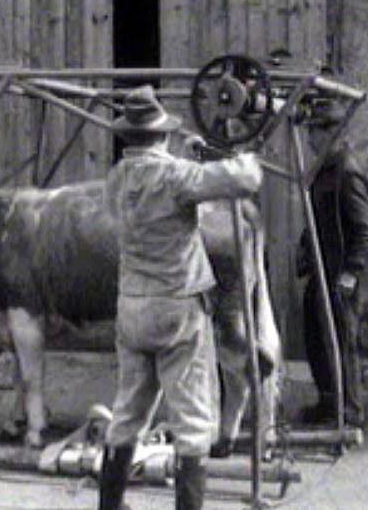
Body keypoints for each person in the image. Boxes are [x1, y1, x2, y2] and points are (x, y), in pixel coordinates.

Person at [100, 85, 263, 510]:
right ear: (163, 134)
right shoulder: (175, 175)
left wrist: (187, 159)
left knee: (127, 413)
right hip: (177, 305)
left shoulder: (117, 177)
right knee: (191, 422)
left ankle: (110, 506)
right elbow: (248, 178)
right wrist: (214, 153)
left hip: (132, 304)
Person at [297, 99, 368, 428]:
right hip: (320, 269)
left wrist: (351, 273)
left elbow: (364, 233)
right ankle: (328, 403)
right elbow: (315, 218)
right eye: (311, 131)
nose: (310, 139)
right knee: (316, 339)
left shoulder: (347, 172)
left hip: (340, 274)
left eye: (316, 131)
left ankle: (350, 412)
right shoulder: (322, 172)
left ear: (334, 133)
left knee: (342, 342)